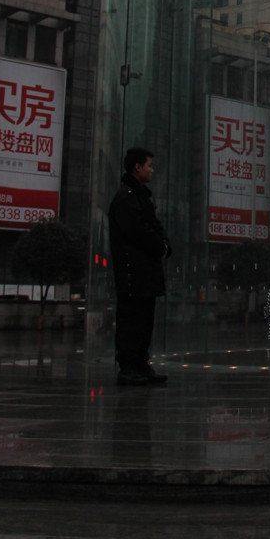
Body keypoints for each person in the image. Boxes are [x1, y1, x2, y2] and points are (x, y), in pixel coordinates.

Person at [108, 147, 171, 385]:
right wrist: (160, 247)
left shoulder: (140, 197)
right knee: (132, 321)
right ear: (137, 167)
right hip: (132, 272)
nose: (152, 170)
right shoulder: (126, 198)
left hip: (145, 272)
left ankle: (141, 365)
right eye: (149, 165)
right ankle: (129, 368)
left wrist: (165, 244)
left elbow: (154, 226)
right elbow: (139, 232)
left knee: (144, 320)